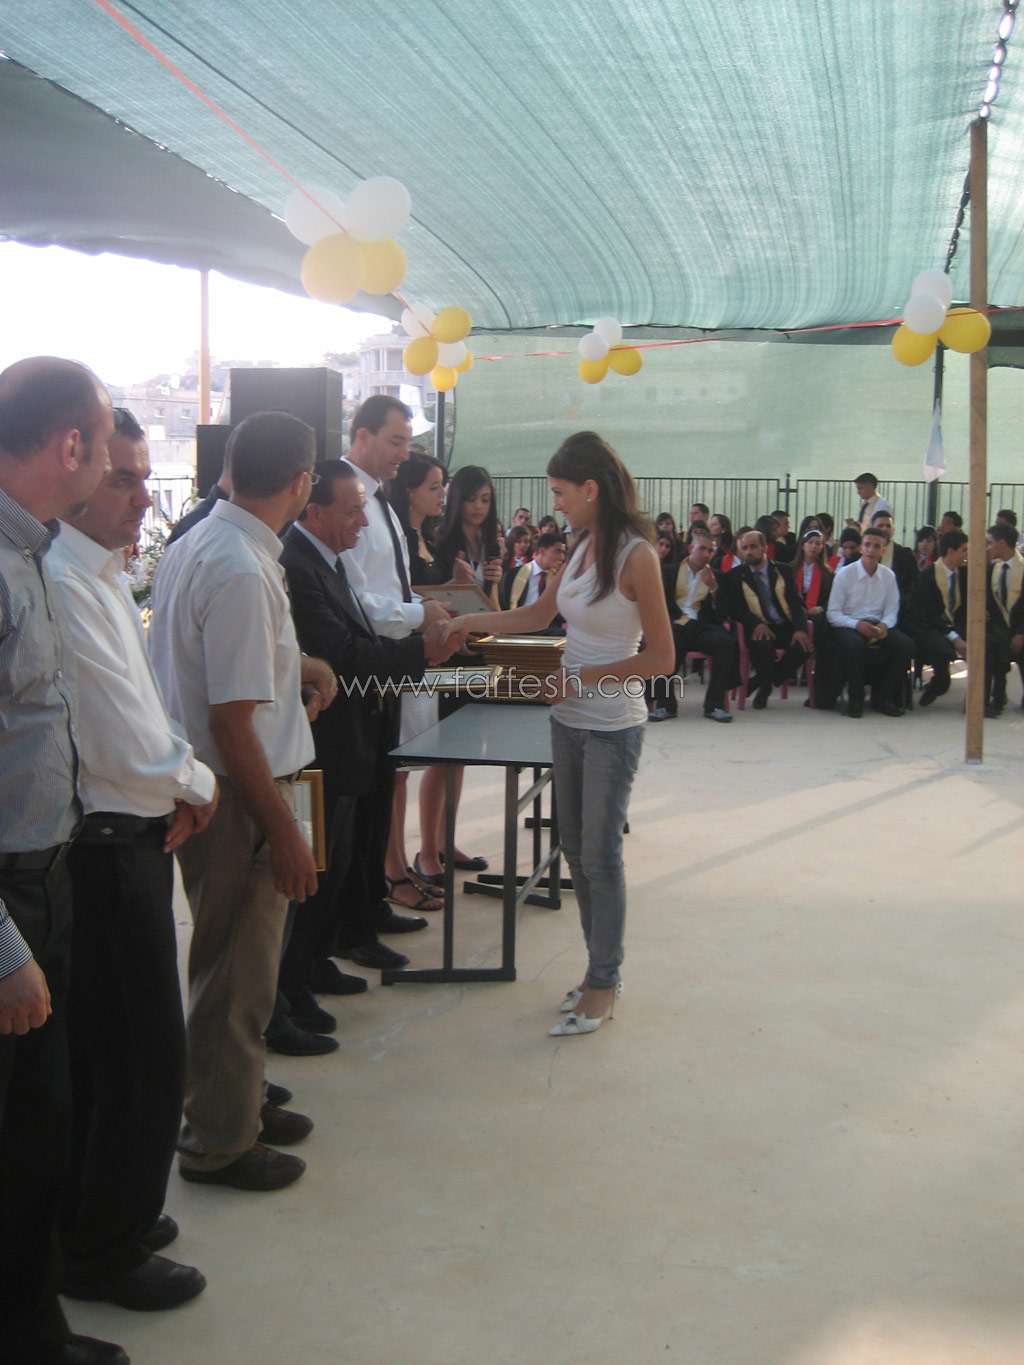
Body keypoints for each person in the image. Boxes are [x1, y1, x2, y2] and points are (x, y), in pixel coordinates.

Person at [47, 408, 216, 1312]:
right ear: (72, 473)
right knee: (142, 1058)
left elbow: (144, 710)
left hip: (133, 832)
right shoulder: (63, 581)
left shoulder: (101, 573)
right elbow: (115, 736)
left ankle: (103, 1212)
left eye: (146, 477)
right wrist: (196, 782)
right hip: (105, 848)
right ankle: (103, 1247)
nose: (142, 496)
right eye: (122, 478)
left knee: (109, 1055)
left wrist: (177, 779)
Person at [149, 411, 335, 1191]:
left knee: (243, 962)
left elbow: (230, 670)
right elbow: (231, 724)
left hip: (230, 786)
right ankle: (220, 1140)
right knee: (235, 970)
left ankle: (239, 1098)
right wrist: (283, 833)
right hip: (239, 798)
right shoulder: (240, 567)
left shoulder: (207, 543)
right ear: (301, 483)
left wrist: (302, 667)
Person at [444, 431, 673, 1037]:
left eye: (560, 492)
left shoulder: (637, 556)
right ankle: (600, 970)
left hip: (612, 727)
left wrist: (579, 680)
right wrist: (471, 620)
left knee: (600, 855)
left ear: (591, 489)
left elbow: (662, 659)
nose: (556, 504)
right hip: (566, 721)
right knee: (574, 849)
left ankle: (604, 980)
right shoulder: (580, 545)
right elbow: (538, 615)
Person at [0, 356, 130, 1365]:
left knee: (41, 1128)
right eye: (106, 445)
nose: (115, 467)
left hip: (46, 872)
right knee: (21, 1139)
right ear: (71, 444)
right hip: (11, 900)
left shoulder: (34, 554)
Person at [277, 462, 462, 1025]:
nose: (364, 521)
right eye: (352, 511)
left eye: (364, 509)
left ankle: (316, 962)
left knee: (335, 863)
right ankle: (291, 987)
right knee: (311, 869)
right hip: (318, 749)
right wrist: (420, 651)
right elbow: (341, 655)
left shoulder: (328, 562)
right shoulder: (297, 564)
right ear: (313, 511)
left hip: (348, 739)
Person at [341, 396, 451, 947]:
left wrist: (420, 610)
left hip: (393, 662)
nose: (404, 453)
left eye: (408, 442)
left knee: (386, 781)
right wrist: (417, 616)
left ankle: (377, 893)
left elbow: (390, 585)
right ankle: (370, 899)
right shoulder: (345, 498)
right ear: (362, 436)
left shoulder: (378, 500)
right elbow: (353, 597)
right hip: (365, 665)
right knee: (366, 794)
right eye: (395, 441)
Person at [648, 528, 737, 723]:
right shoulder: (669, 572)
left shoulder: (717, 576)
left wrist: (714, 589)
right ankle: (665, 705)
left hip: (703, 625)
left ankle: (715, 705)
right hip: (676, 623)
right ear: (690, 549)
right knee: (665, 644)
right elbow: (657, 604)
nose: (706, 554)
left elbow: (723, 613)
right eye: (702, 549)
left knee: (726, 644)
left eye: (710, 551)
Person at [826, 526, 914, 717]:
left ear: (883, 550)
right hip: (849, 624)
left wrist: (884, 625)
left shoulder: (888, 576)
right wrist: (856, 625)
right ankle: (855, 700)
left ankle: (883, 698)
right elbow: (833, 614)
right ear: (860, 548)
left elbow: (892, 610)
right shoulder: (845, 574)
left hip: (877, 624)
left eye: (877, 546)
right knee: (855, 645)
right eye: (867, 545)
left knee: (905, 646)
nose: (871, 550)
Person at [723, 529, 812, 709]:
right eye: (744, 548)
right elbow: (735, 610)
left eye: (753, 547)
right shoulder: (735, 576)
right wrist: (756, 623)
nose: (749, 552)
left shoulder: (784, 570)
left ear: (764, 548)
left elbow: (796, 603)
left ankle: (760, 681)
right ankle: (764, 689)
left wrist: (800, 629)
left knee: (804, 648)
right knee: (762, 646)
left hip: (783, 625)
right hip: (756, 627)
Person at [905, 529, 968, 709]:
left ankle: (981, 697)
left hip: (957, 624)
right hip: (931, 626)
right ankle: (939, 684)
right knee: (940, 649)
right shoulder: (927, 576)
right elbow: (927, 614)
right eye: (964, 550)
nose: (967, 555)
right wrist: (954, 637)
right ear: (951, 552)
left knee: (984, 641)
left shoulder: (965, 574)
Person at [435, 465, 503, 607]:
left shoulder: (490, 546)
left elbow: (494, 608)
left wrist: (493, 583)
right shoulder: (439, 540)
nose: (478, 506)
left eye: (485, 500)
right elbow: (425, 598)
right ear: (457, 500)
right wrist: (455, 583)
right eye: (471, 499)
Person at [791, 527, 836, 708]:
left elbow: (832, 598)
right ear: (803, 545)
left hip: (815, 612)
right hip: (795, 611)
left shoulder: (827, 573)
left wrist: (821, 608)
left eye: (818, 544)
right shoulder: (790, 569)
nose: (814, 547)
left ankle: (808, 665)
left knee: (821, 625)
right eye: (810, 543)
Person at [983, 522, 1024, 716]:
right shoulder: (993, 569)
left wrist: (1021, 633)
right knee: (993, 643)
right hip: (999, 628)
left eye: (990, 543)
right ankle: (995, 698)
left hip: (1020, 628)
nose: (988, 548)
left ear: (1002, 543)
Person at [499, 530, 567, 616]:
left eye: (563, 552)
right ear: (542, 551)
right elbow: (503, 608)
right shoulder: (512, 575)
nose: (562, 557)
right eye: (557, 552)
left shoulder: (561, 579)